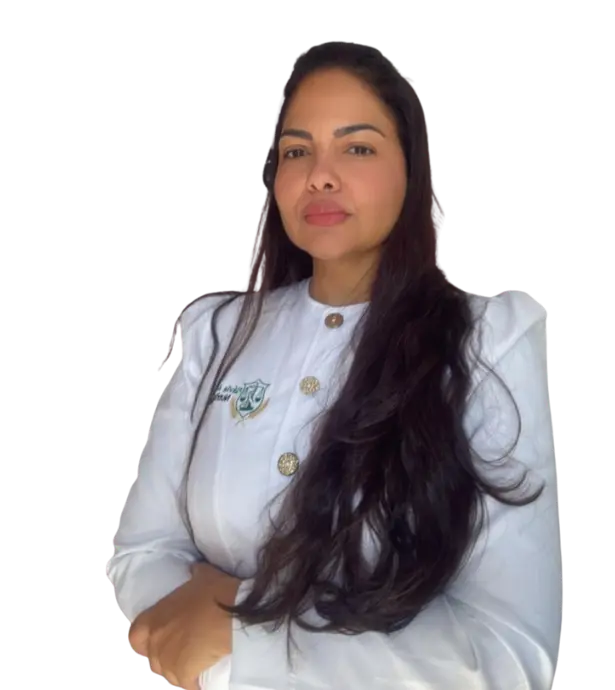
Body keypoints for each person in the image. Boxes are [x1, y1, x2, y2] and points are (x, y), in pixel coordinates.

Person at [106, 40, 561, 690]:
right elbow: (142, 553)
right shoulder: (219, 330)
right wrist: (195, 634)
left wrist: (246, 638)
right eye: (297, 152)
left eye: (358, 148)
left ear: (411, 169)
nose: (320, 175)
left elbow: (513, 651)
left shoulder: (488, 340)